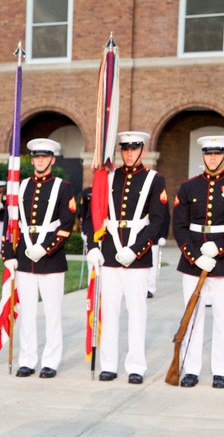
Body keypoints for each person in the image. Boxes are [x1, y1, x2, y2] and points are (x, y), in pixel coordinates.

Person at [84, 131, 168, 384]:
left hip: (137, 254)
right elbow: (94, 213)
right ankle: (108, 364)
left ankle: (136, 366)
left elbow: (157, 221)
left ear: (142, 150)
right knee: (109, 312)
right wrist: (93, 246)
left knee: (137, 312)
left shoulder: (154, 179)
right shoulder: (107, 177)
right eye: (125, 149)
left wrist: (136, 249)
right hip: (109, 252)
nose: (129, 153)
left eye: (134, 149)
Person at [171, 135, 224, 389]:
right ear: (203, 156)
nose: (213, 157)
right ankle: (191, 369)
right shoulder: (188, 187)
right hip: (192, 261)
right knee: (192, 316)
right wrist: (195, 256)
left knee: (222, 316)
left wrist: (219, 247)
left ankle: (220, 370)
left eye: (218, 153)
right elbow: (180, 226)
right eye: (208, 153)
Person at [2, 138, 75, 379]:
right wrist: (9, 255)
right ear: (32, 160)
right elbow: (10, 222)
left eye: (44, 157)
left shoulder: (63, 187)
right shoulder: (20, 186)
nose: (40, 160)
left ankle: (51, 361)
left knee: (52, 312)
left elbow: (67, 223)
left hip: (51, 259)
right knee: (27, 312)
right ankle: (27, 359)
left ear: (52, 160)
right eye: (36, 157)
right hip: (24, 257)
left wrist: (46, 247)